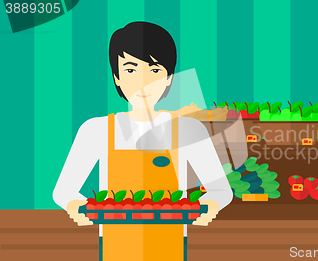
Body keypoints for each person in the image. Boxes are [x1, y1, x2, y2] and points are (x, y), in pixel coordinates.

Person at [53, 22, 233, 261]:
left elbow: (221, 190)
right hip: (115, 245)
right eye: (130, 70)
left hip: (171, 244)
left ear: (169, 78)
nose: (143, 82)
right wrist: (76, 206)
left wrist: (209, 205)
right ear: (116, 77)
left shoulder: (189, 129)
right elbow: (63, 190)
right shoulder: (95, 130)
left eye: (154, 70)